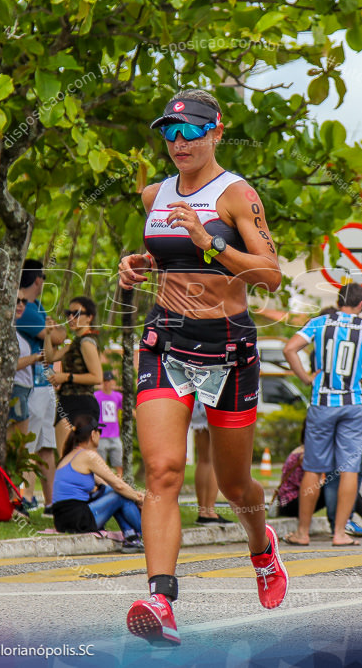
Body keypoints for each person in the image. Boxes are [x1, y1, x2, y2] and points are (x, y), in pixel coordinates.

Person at [117, 88, 287, 646]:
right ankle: (160, 598)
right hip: (165, 341)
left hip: (228, 345)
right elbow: (169, 261)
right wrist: (139, 265)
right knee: (163, 472)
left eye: (190, 131)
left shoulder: (236, 195)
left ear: (215, 132)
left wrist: (208, 243)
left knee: (236, 485)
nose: (178, 143)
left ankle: (262, 548)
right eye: (169, 132)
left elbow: (270, 275)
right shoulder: (153, 194)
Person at [283, 283, 362, 547]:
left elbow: (289, 349)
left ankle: (302, 533)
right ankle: (339, 533)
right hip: (353, 404)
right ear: (361, 305)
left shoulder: (319, 323)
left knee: (313, 466)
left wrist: (305, 378)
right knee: (349, 468)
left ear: (338, 302)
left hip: (321, 402)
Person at [276, 421, 362, 536]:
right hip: (290, 504)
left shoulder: (304, 449)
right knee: (339, 483)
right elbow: (307, 485)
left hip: (292, 501)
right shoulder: (305, 455)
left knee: (338, 483)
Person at [52, 414, 145, 554]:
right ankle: (146, 534)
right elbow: (117, 485)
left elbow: (108, 484)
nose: (100, 435)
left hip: (62, 520)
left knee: (113, 493)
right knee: (119, 495)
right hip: (77, 519)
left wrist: (133, 494)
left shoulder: (72, 455)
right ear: (93, 434)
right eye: (99, 431)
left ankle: (131, 537)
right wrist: (139, 498)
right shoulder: (89, 456)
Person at [16, 259, 64, 513]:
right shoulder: (25, 308)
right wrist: (54, 331)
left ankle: (51, 502)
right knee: (28, 443)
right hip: (32, 384)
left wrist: (55, 333)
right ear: (38, 280)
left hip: (45, 385)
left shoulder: (36, 306)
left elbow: (58, 336)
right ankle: (24, 496)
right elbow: (56, 336)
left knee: (47, 446)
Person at [0, 287, 42, 453]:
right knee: (14, 450)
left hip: (20, 393)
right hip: (9, 392)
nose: (21, 305)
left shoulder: (12, 330)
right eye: (16, 301)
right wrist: (35, 358)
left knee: (18, 450)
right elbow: (6, 366)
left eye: (24, 301)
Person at [45, 295, 103, 456]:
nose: (71, 317)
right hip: (67, 401)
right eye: (68, 313)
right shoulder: (75, 343)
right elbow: (50, 357)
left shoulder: (86, 342)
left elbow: (97, 377)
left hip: (82, 403)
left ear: (89, 317)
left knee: (76, 459)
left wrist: (67, 377)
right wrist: (48, 335)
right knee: (67, 459)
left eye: (76, 313)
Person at [190, 400, 230, 525]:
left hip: (197, 402)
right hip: (215, 398)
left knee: (203, 459)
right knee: (215, 459)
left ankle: (203, 511)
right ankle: (210, 511)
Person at [94, 371, 125, 479]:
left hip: (115, 435)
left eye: (109, 381)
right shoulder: (96, 396)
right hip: (101, 435)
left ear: (113, 382)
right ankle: (102, 485)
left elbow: (126, 409)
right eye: (105, 381)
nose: (107, 383)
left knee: (118, 463)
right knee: (100, 464)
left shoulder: (118, 396)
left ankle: (119, 484)